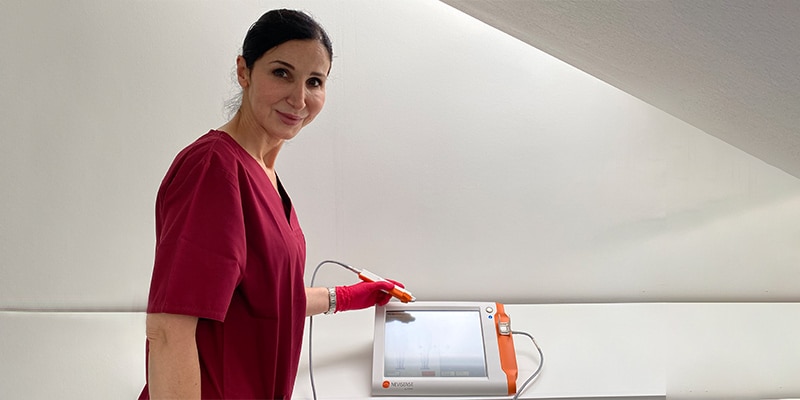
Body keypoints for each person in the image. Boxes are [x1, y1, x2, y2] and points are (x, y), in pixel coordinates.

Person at [139, 9, 401, 399]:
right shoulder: (214, 169)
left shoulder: (263, 172)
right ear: (244, 71)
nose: (299, 98)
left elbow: (265, 300)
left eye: (314, 81)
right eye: (281, 72)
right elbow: (168, 331)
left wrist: (349, 296)